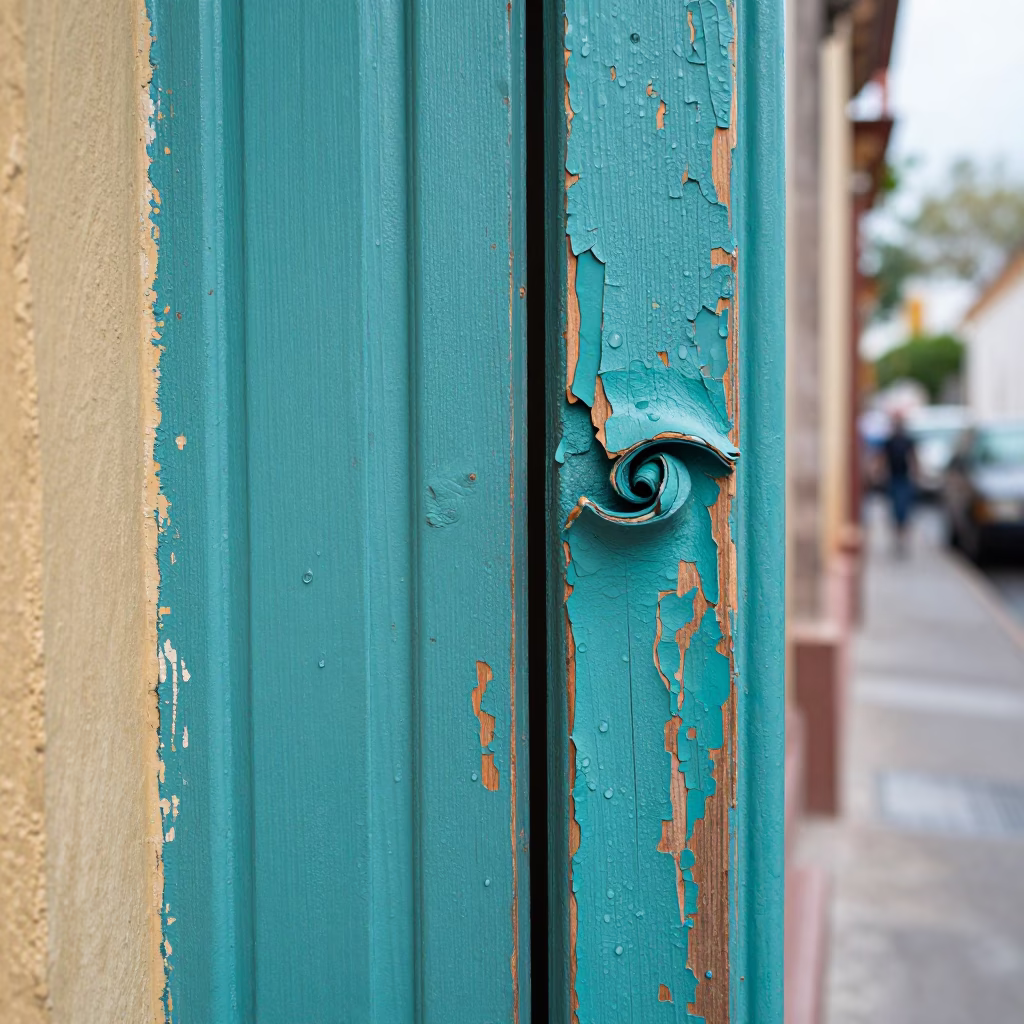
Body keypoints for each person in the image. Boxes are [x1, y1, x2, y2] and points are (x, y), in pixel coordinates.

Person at [882, 412, 918, 556]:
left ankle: (903, 538)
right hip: (894, 478)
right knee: (895, 510)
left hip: (904, 478)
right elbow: (883, 458)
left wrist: (916, 473)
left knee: (904, 510)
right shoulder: (890, 441)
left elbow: (913, 458)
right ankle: (898, 538)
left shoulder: (908, 441)